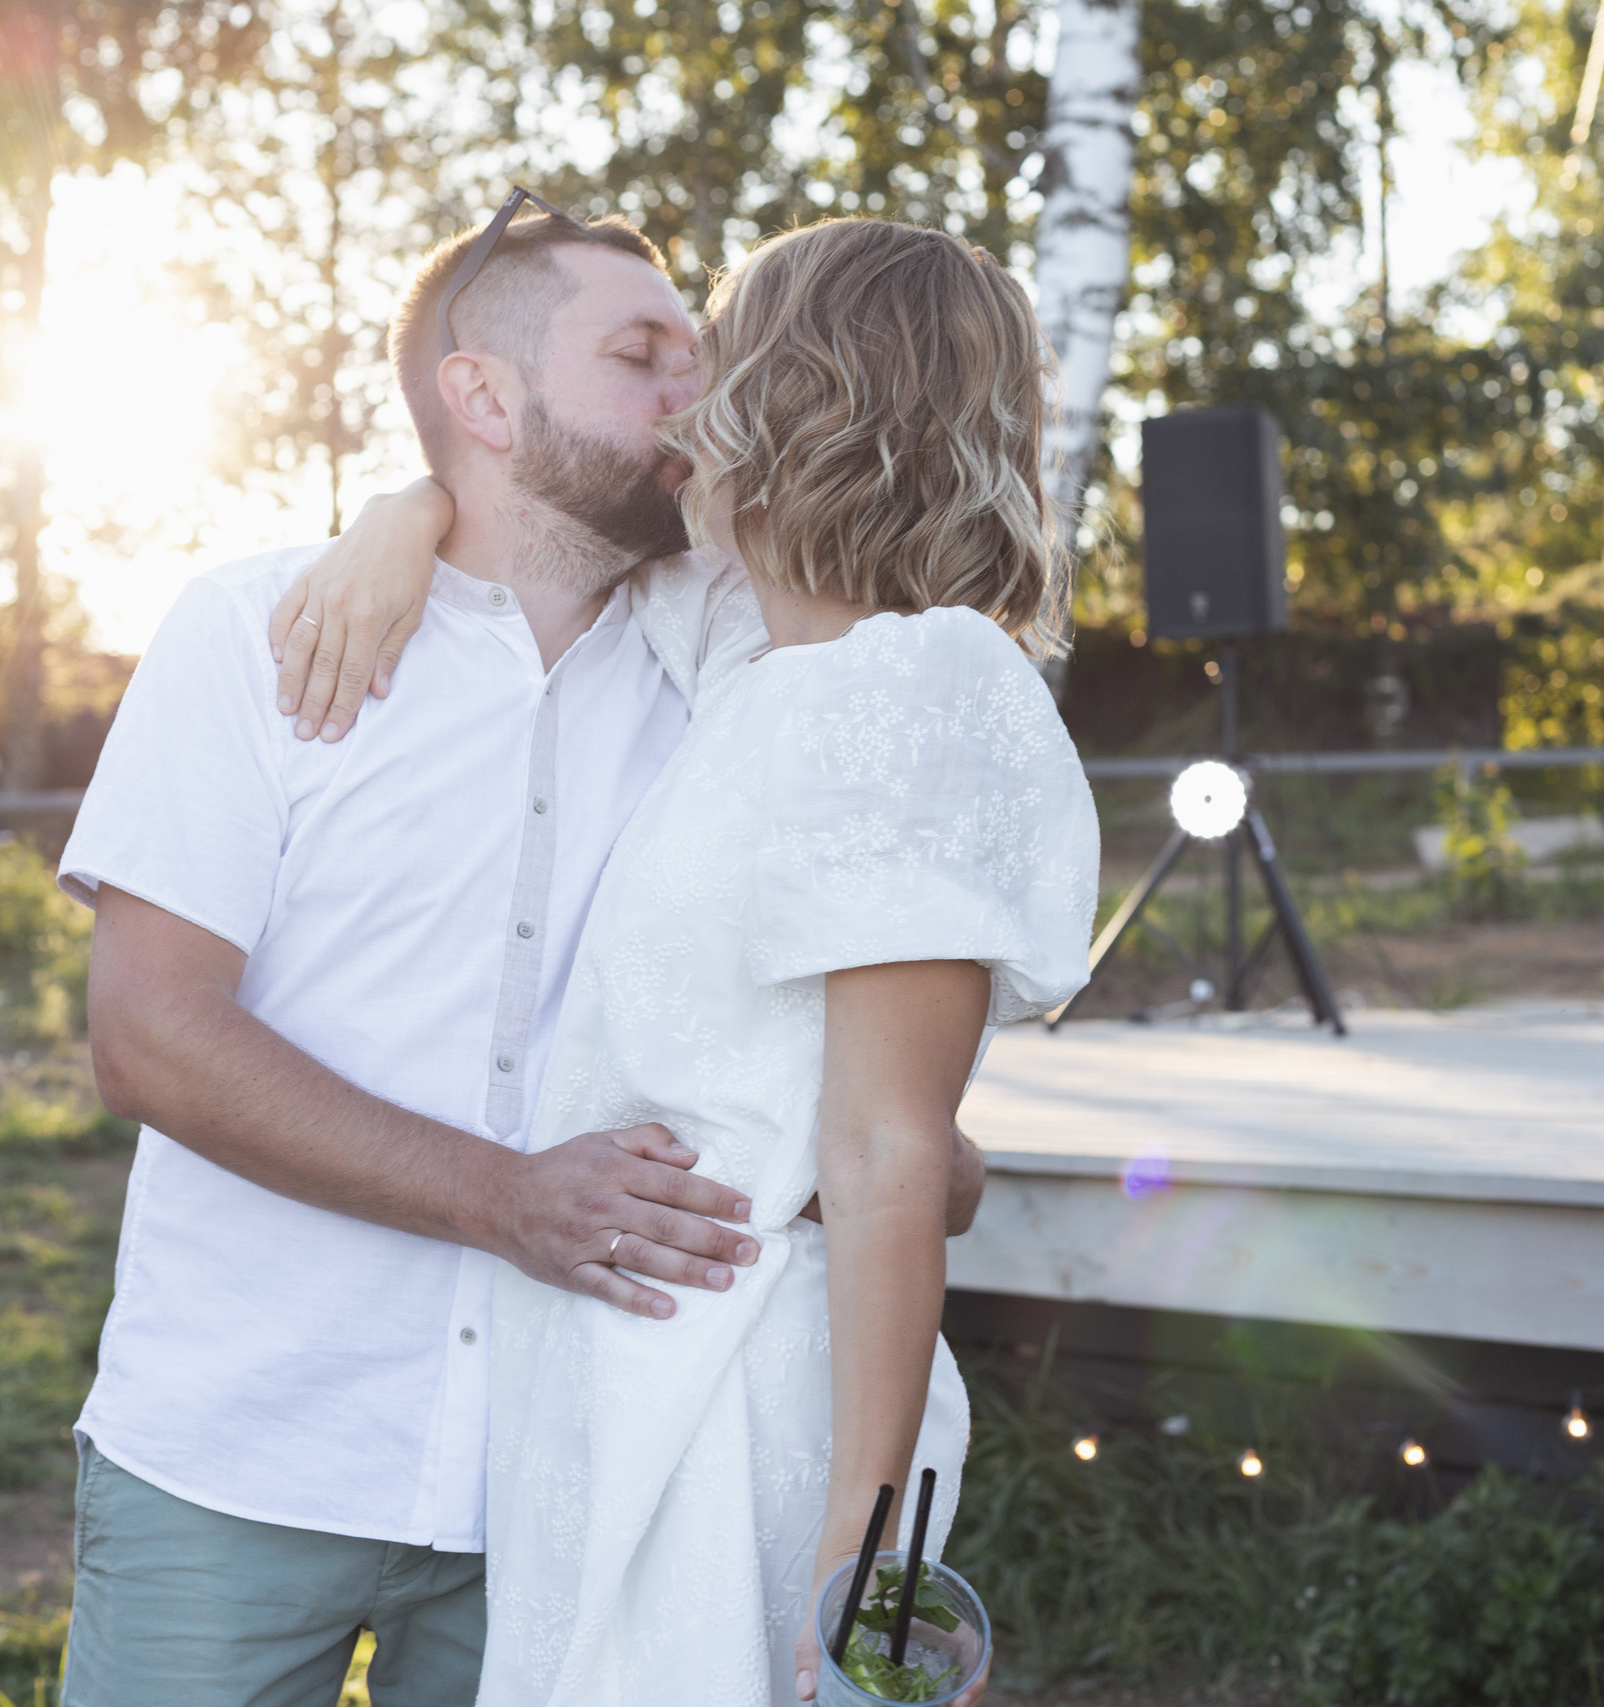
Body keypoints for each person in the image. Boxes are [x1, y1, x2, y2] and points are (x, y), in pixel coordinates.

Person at [55, 201, 988, 1705]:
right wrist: (506, 1198)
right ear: (483, 396)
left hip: (576, 1479)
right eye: (643, 353)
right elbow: (149, 1036)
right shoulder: (255, 630)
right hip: (244, 1451)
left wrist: (878, 1143)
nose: (698, 389)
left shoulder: (740, 668)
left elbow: (858, 1067)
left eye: (703, 353)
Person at [272, 218, 1098, 1706]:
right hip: (611, 1379)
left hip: (745, 1401)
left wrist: (863, 1552)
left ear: (800, 396)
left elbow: (888, 1147)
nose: (686, 401)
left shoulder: (919, 682)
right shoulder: (750, 658)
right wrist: (402, 512)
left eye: (718, 358)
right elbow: (547, 524)